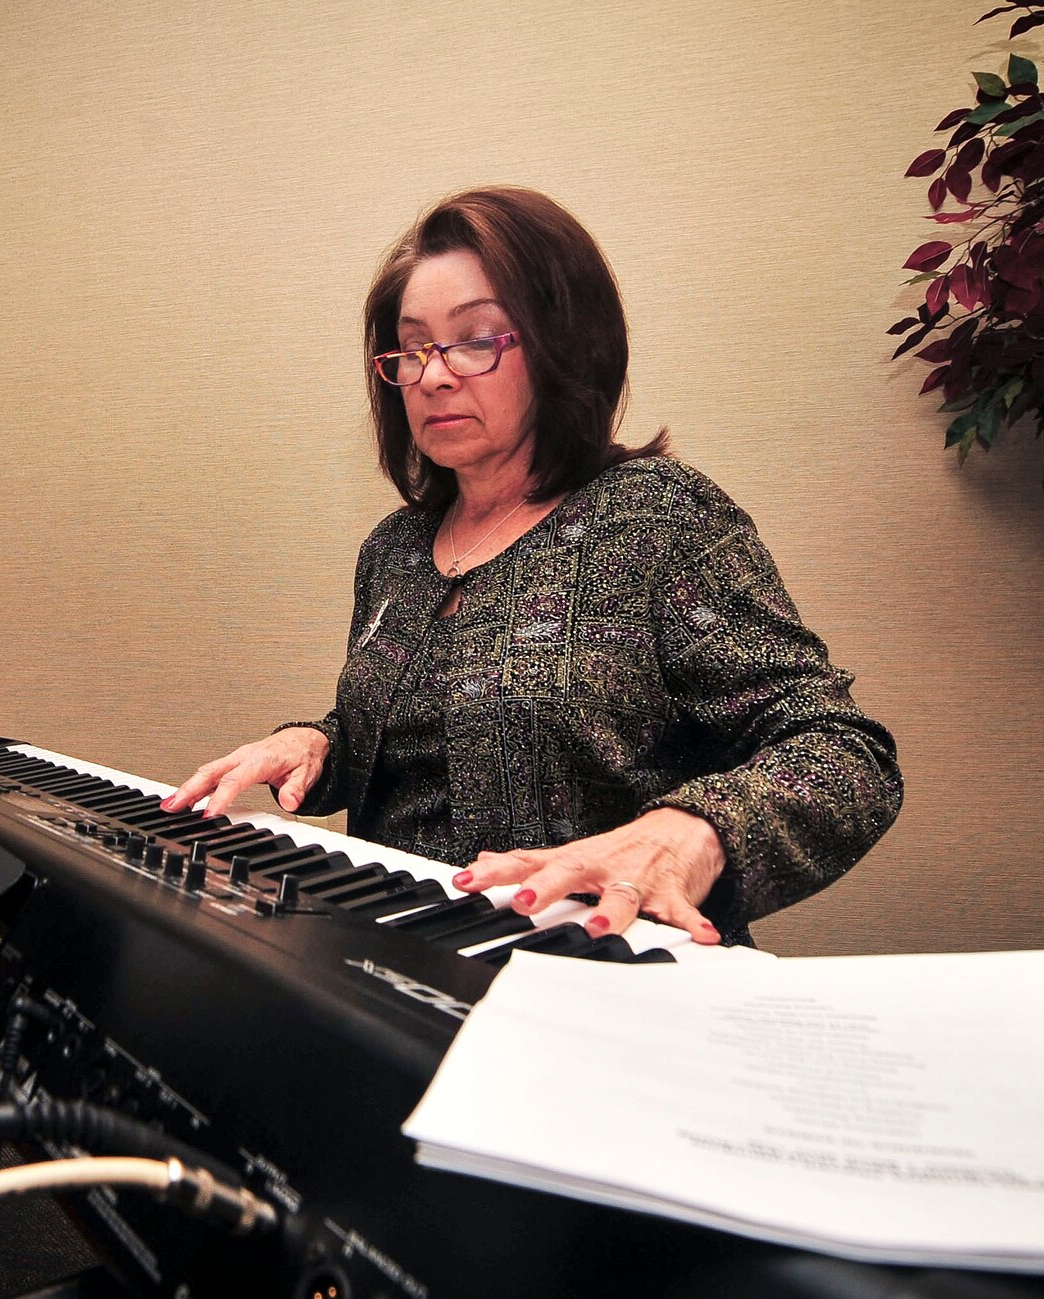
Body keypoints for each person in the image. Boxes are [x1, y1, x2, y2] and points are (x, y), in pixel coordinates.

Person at [163, 187, 901, 948]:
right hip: (402, 960)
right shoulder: (394, 550)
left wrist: (692, 831)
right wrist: (320, 743)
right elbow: (422, 741)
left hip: (606, 974)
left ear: (561, 345)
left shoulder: (656, 517)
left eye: (475, 339)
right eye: (411, 347)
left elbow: (845, 751)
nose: (434, 374)